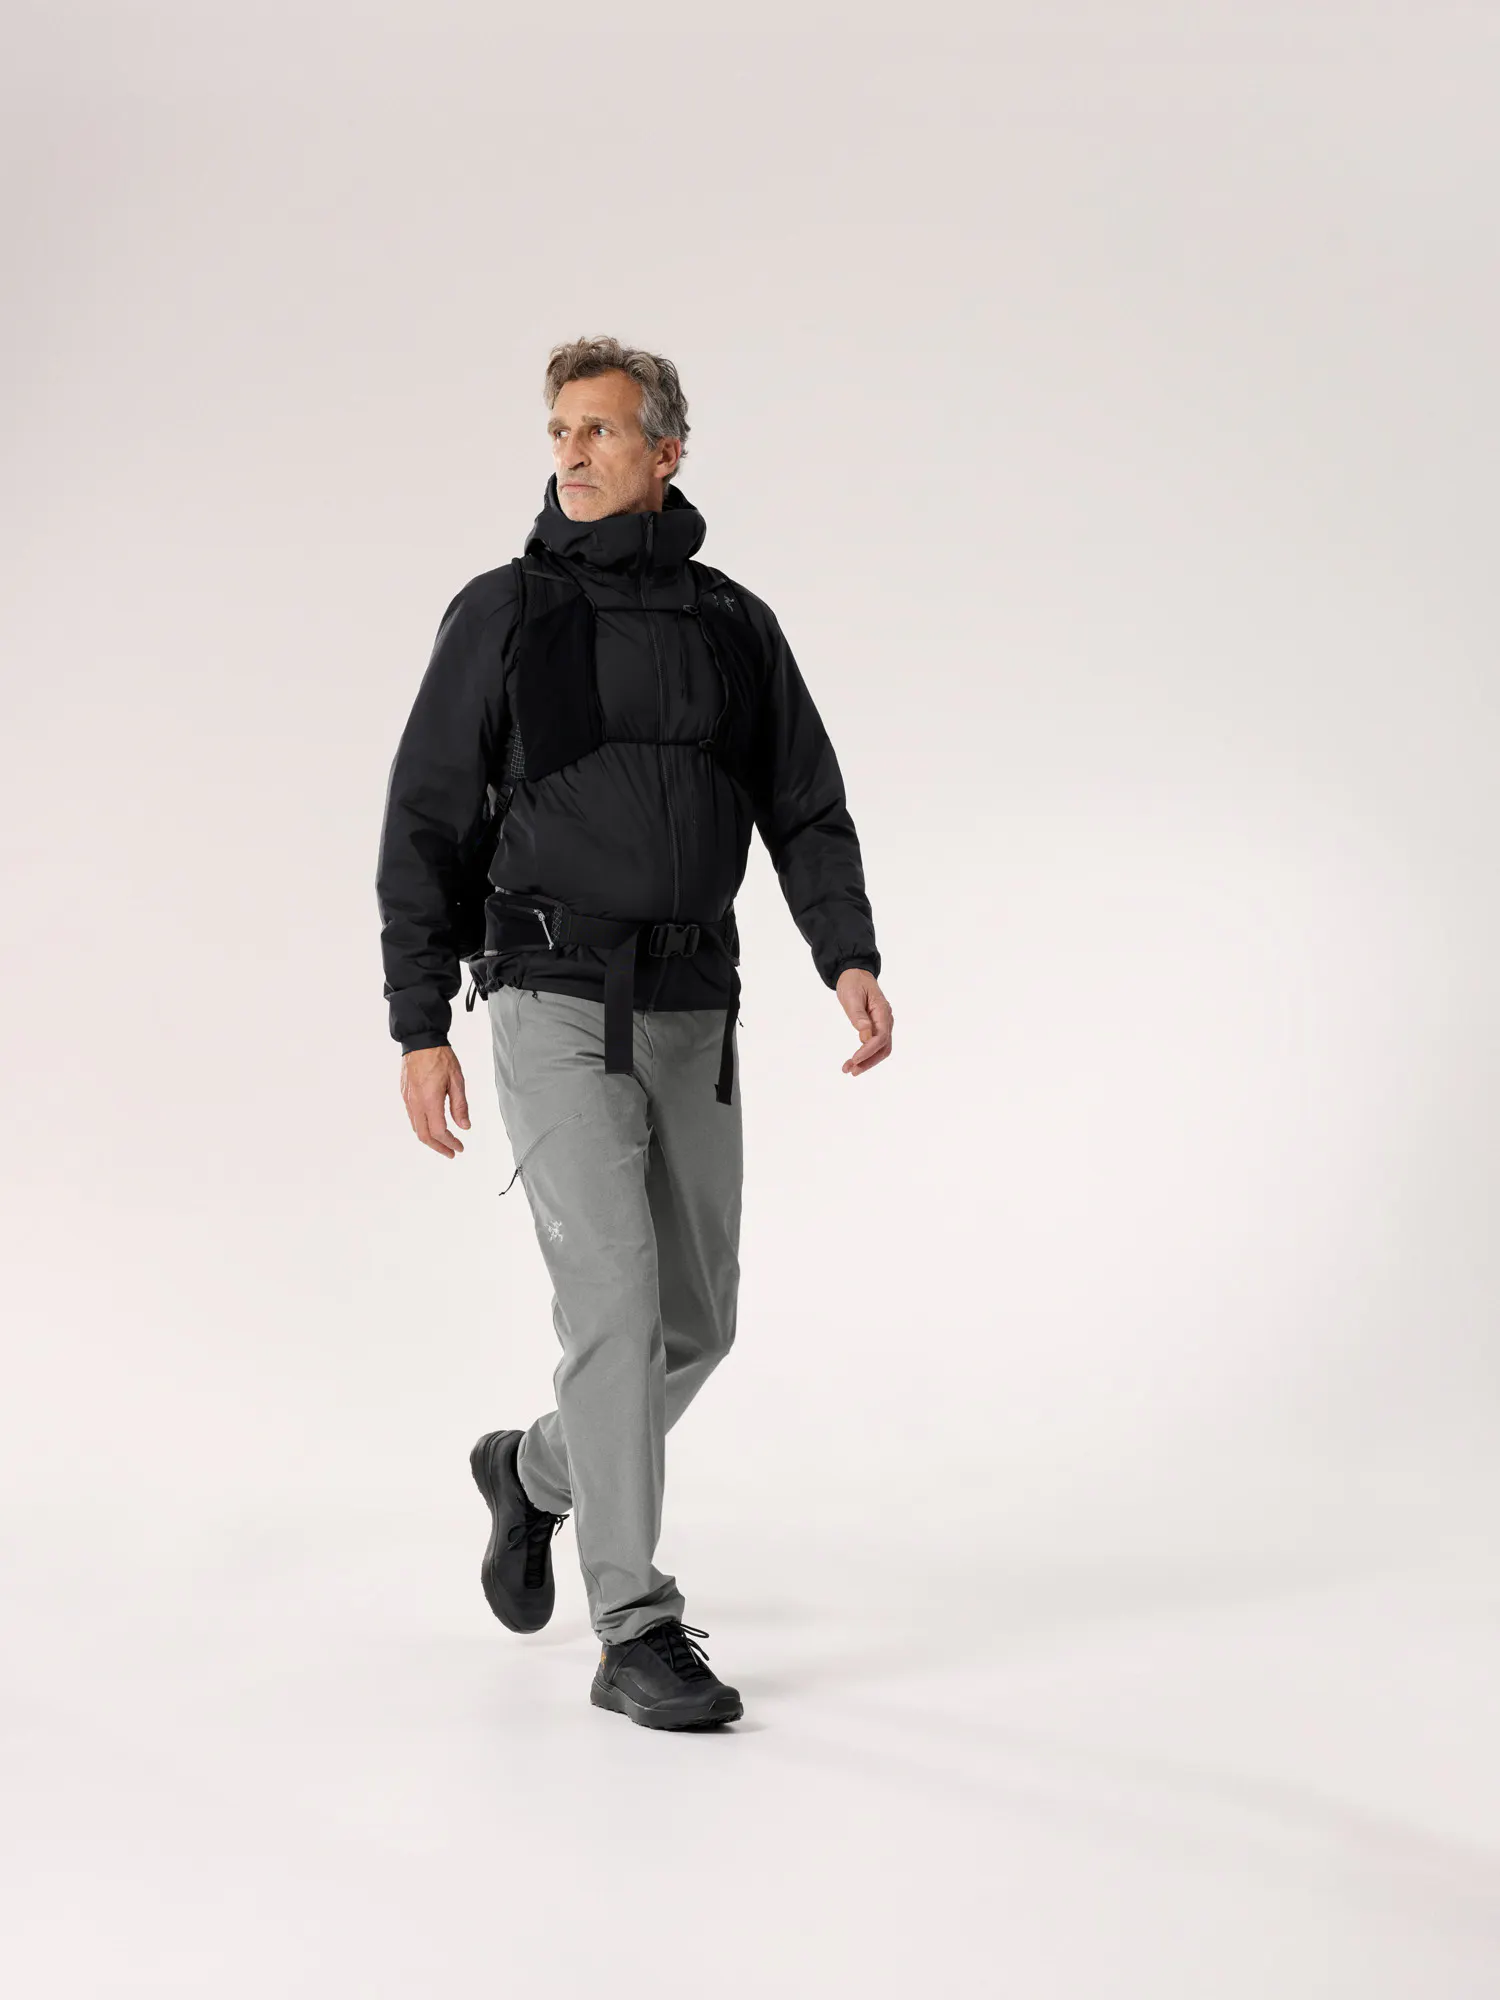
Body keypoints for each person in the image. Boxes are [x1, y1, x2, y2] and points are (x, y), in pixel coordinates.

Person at [375, 336, 892, 1730]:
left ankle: (532, 1472)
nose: (573, 453)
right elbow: (426, 818)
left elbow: (805, 800)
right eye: (560, 431)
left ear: (667, 450)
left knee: (695, 1320)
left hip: (693, 1003)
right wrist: (419, 1020)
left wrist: (845, 951)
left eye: (601, 430)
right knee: (610, 1299)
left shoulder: (734, 624)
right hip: (551, 992)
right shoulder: (506, 612)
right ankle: (635, 1626)